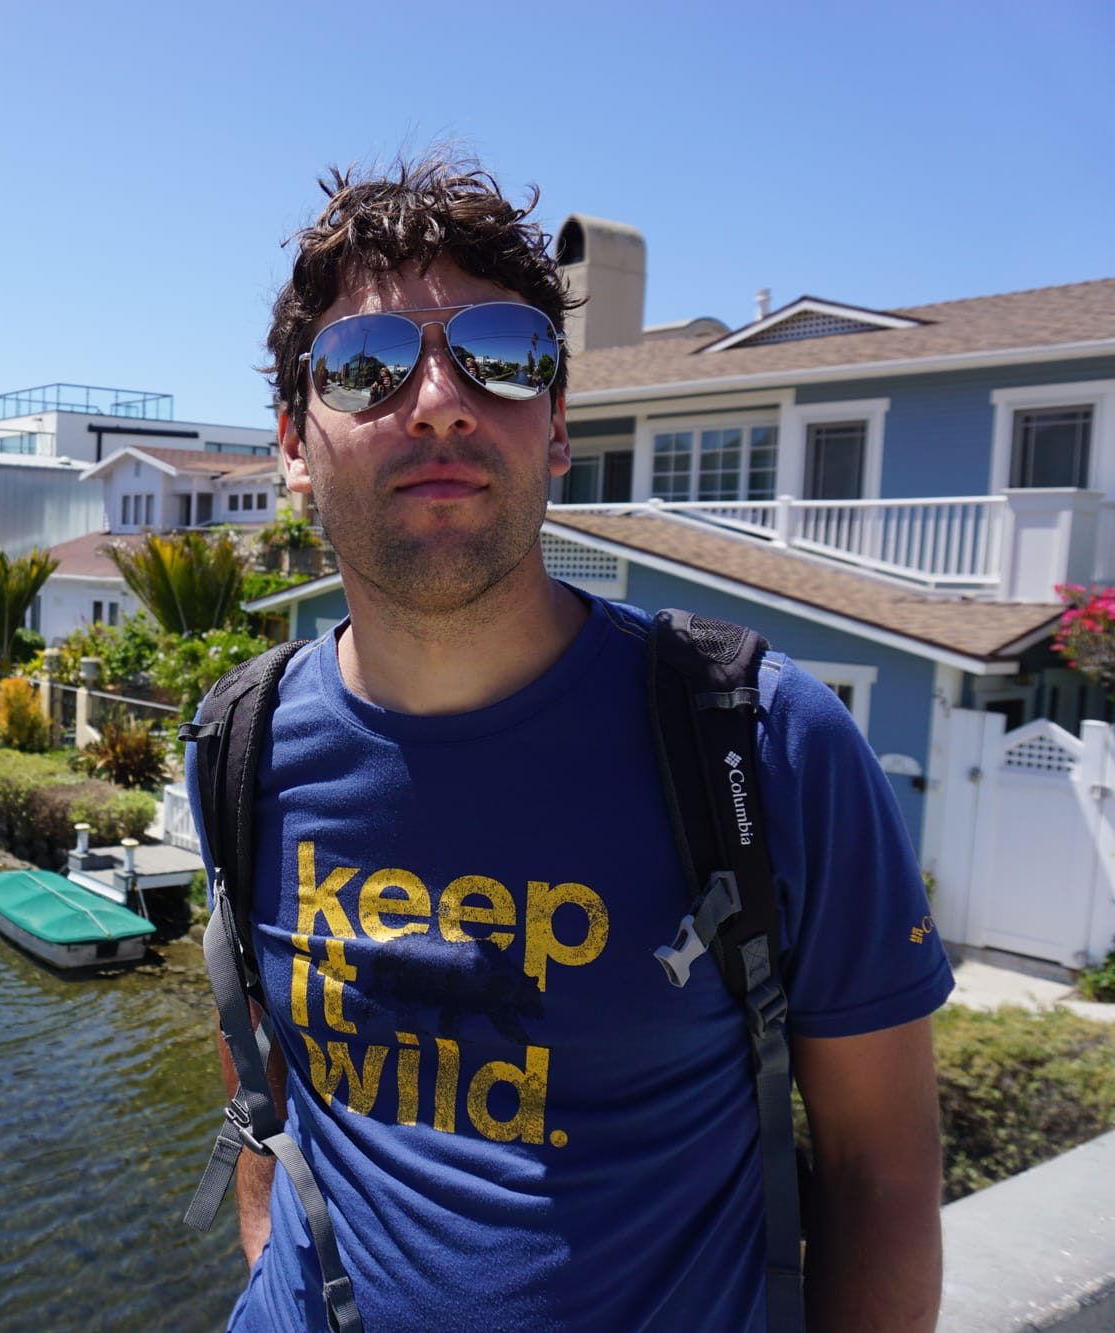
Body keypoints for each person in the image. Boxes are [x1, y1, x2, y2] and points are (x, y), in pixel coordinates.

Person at [196, 154, 952, 1332]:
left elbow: (881, 1173)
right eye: (363, 365)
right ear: (293, 441)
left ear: (553, 427)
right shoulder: (238, 742)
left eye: (499, 356)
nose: (437, 400)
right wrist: (267, 1271)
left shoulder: (762, 743)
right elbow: (260, 1080)